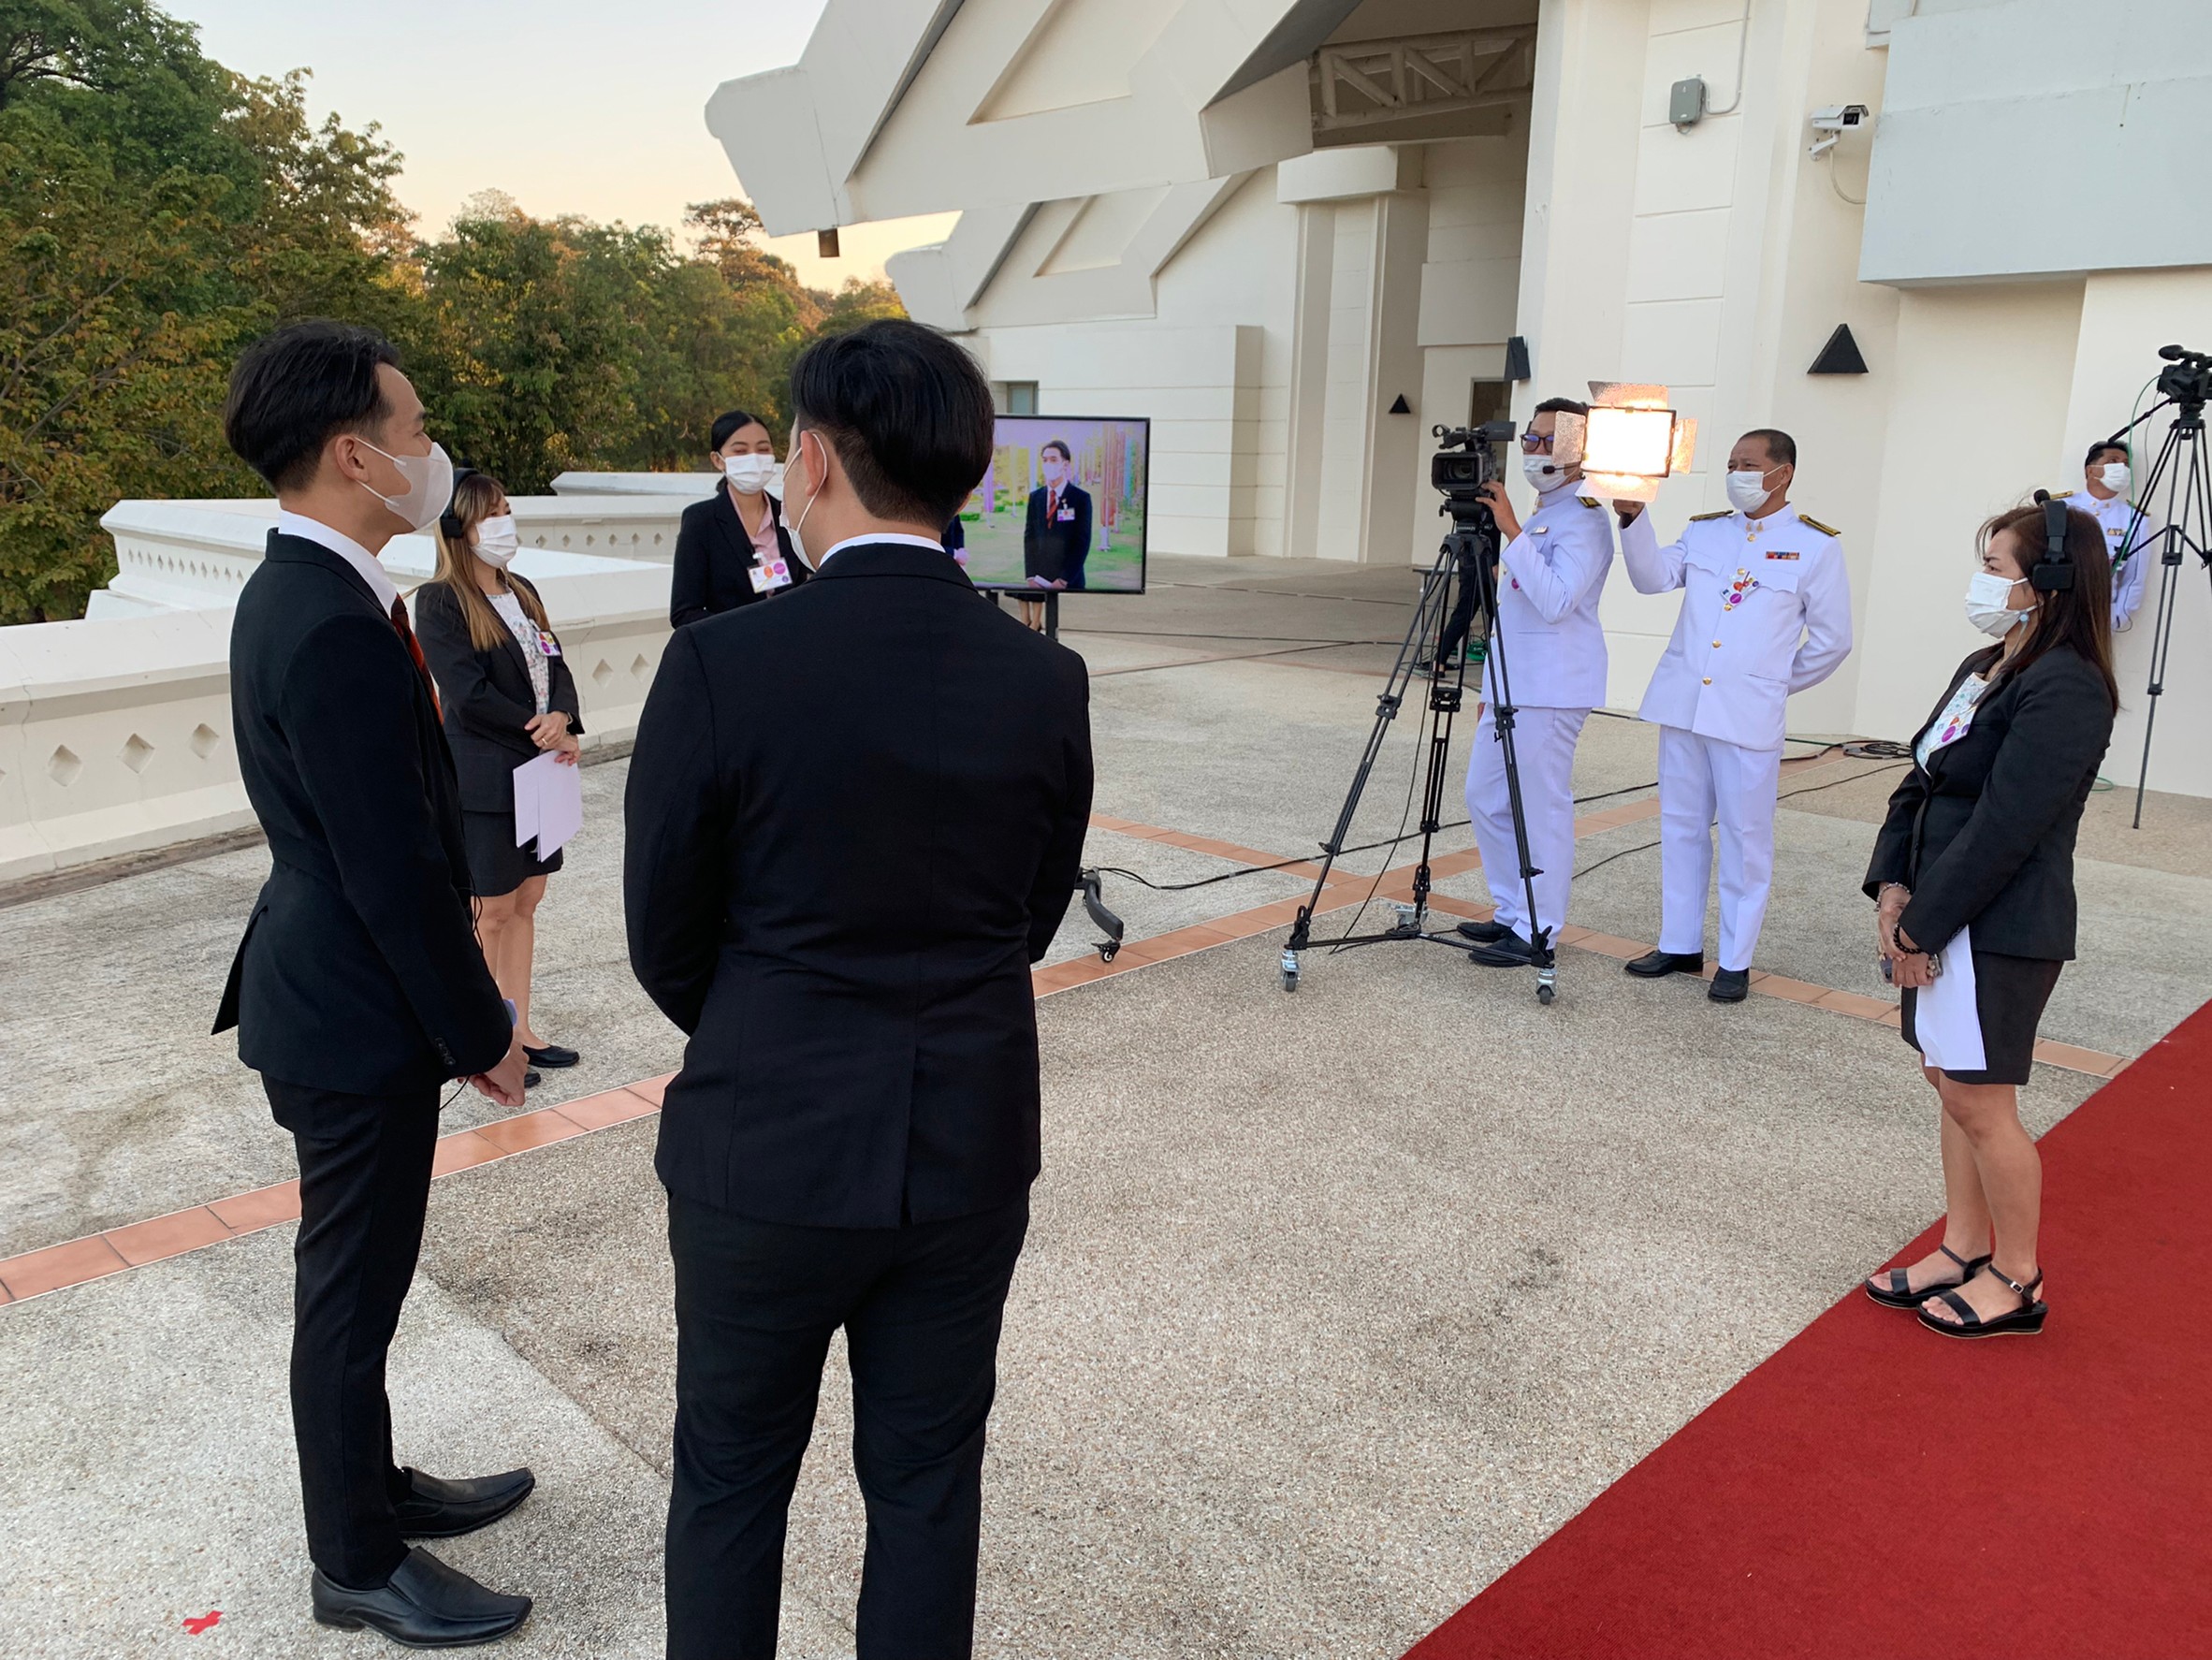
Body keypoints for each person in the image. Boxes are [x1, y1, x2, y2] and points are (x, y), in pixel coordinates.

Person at [624, 318, 1093, 1659]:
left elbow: (665, 930)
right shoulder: (1042, 676)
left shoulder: (724, 662)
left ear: (814, 460)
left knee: (731, 1479)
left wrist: (769, 1024)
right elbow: (1031, 910)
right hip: (966, 1141)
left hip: (763, 1140)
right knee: (929, 1484)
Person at [213, 320, 535, 1648]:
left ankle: (373, 1487)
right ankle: (353, 1560)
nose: (430, 450)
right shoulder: (330, 619)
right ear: (355, 454)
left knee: (368, 1277)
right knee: (349, 1293)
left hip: (334, 992)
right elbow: (391, 867)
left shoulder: (315, 589)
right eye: (414, 430)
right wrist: (483, 1030)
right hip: (349, 1010)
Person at [1861, 498, 2117, 1337]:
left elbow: (2008, 825)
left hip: (1996, 924)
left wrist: (1921, 927)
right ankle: (1965, 1245)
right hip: (1939, 907)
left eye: (1996, 567)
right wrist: (1892, 888)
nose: (1982, 581)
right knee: (1949, 1081)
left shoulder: (2067, 685)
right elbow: (1920, 777)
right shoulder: (1988, 662)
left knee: (1981, 1101)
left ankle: (2018, 1276)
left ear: (2048, 581)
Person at [1611, 430, 1855, 1001]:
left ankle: (1735, 959)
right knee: (1681, 825)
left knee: (1746, 838)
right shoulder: (1706, 531)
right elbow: (1651, 579)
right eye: (1731, 463)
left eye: (1749, 464)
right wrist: (1633, 518)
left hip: (1747, 715)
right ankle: (1679, 943)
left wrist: (1772, 683)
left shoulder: (1815, 546)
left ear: (1782, 473)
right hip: (1684, 705)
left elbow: (1833, 640)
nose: (1736, 473)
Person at [415, 469, 586, 1080]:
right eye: (491, 513)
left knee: (529, 900)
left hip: (543, 771)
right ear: (459, 527)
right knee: (491, 909)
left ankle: (521, 1028)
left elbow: (555, 664)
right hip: (488, 778)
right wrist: (537, 728)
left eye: (506, 509)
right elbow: (467, 692)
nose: (504, 522)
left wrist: (563, 717)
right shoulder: (440, 600)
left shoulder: (523, 591)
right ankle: (486, 1041)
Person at [1451, 397, 1615, 968]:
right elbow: (1510, 616)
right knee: (1485, 797)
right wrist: (1489, 688)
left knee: (1540, 809)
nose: (1535, 450)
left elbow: (1555, 602)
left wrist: (1511, 531)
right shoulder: (1544, 513)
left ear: (1579, 451)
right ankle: (1511, 910)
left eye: (1549, 440)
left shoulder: (1586, 517)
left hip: (1553, 688)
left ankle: (1538, 927)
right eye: (1530, 438)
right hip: (1513, 685)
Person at [670, 409, 808, 628]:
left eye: (763, 449)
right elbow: (684, 613)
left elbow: (803, 589)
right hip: (731, 646)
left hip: (788, 642)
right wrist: (745, 631)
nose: (754, 457)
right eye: (740, 451)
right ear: (718, 460)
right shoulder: (701, 521)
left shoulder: (789, 514)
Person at [2059, 440, 2159, 631]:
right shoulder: (2061, 507)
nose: (2121, 467)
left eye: (2126, 464)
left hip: (2098, 616)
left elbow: (2135, 577)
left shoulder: (2133, 518)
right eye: (2113, 461)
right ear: (2091, 470)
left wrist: (2115, 618)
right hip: (2053, 611)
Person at [1020, 437, 1091, 629]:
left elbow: (1082, 542)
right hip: (1039, 580)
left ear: (1065, 464)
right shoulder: (1036, 497)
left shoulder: (1080, 498)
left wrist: (1064, 579)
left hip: (1070, 583)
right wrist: (1030, 576)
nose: (1048, 464)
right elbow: (1029, 538)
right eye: (1045, 460)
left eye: (1053, 459)